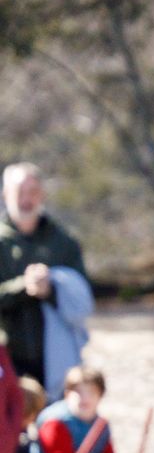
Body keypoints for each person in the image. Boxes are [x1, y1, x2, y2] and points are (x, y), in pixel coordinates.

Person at [0, 164, 88, 388]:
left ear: (42, 195)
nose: (26, 199)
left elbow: (82, 297)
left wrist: (51, 290)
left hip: (56, 360)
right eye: (20, 191)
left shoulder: (63, 242)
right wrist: (24, 287)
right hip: (6, 360)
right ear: (5, 194)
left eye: (33, 191)